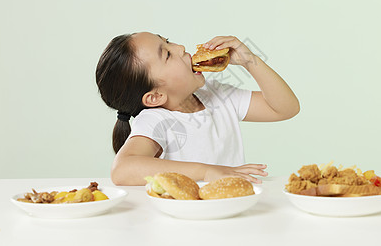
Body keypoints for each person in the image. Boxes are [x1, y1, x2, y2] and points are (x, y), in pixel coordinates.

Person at [95, 32, 300, 185]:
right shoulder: (156, 120)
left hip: (230, 209)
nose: (180, 47)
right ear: (155, 96)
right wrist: (208, 172)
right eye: (166, 54)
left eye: (167, 41)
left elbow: (285, 108)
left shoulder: (216, 94)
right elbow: (122, 170)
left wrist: (249, 60)